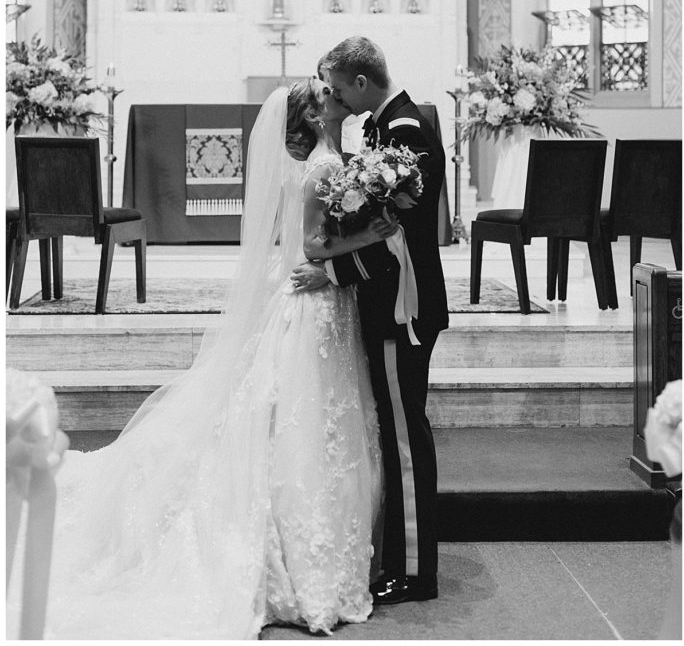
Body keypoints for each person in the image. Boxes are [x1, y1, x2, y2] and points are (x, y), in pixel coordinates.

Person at [10, 79, 395, 640]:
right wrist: (371, 235)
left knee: (306, 416)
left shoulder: (325, 162)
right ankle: (303, 550)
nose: (338, 99)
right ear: (314, 118)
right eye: (328, 97)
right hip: (311, 298)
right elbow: (312, 246)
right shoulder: (322, 167)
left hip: (316, 299)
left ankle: (316, 539)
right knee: (306, 418)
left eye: (335, 93)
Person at [291, 37, 448, 605]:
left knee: (405, 434)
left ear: (361, 83)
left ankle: (414, 573)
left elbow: (395, 239)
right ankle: (402, 562)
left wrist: (331, 275)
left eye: (335, 85)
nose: (331, 95)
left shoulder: (402, 132)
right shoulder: (389, 129)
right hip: (392, 304)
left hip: (401, 308)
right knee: (394, 426)